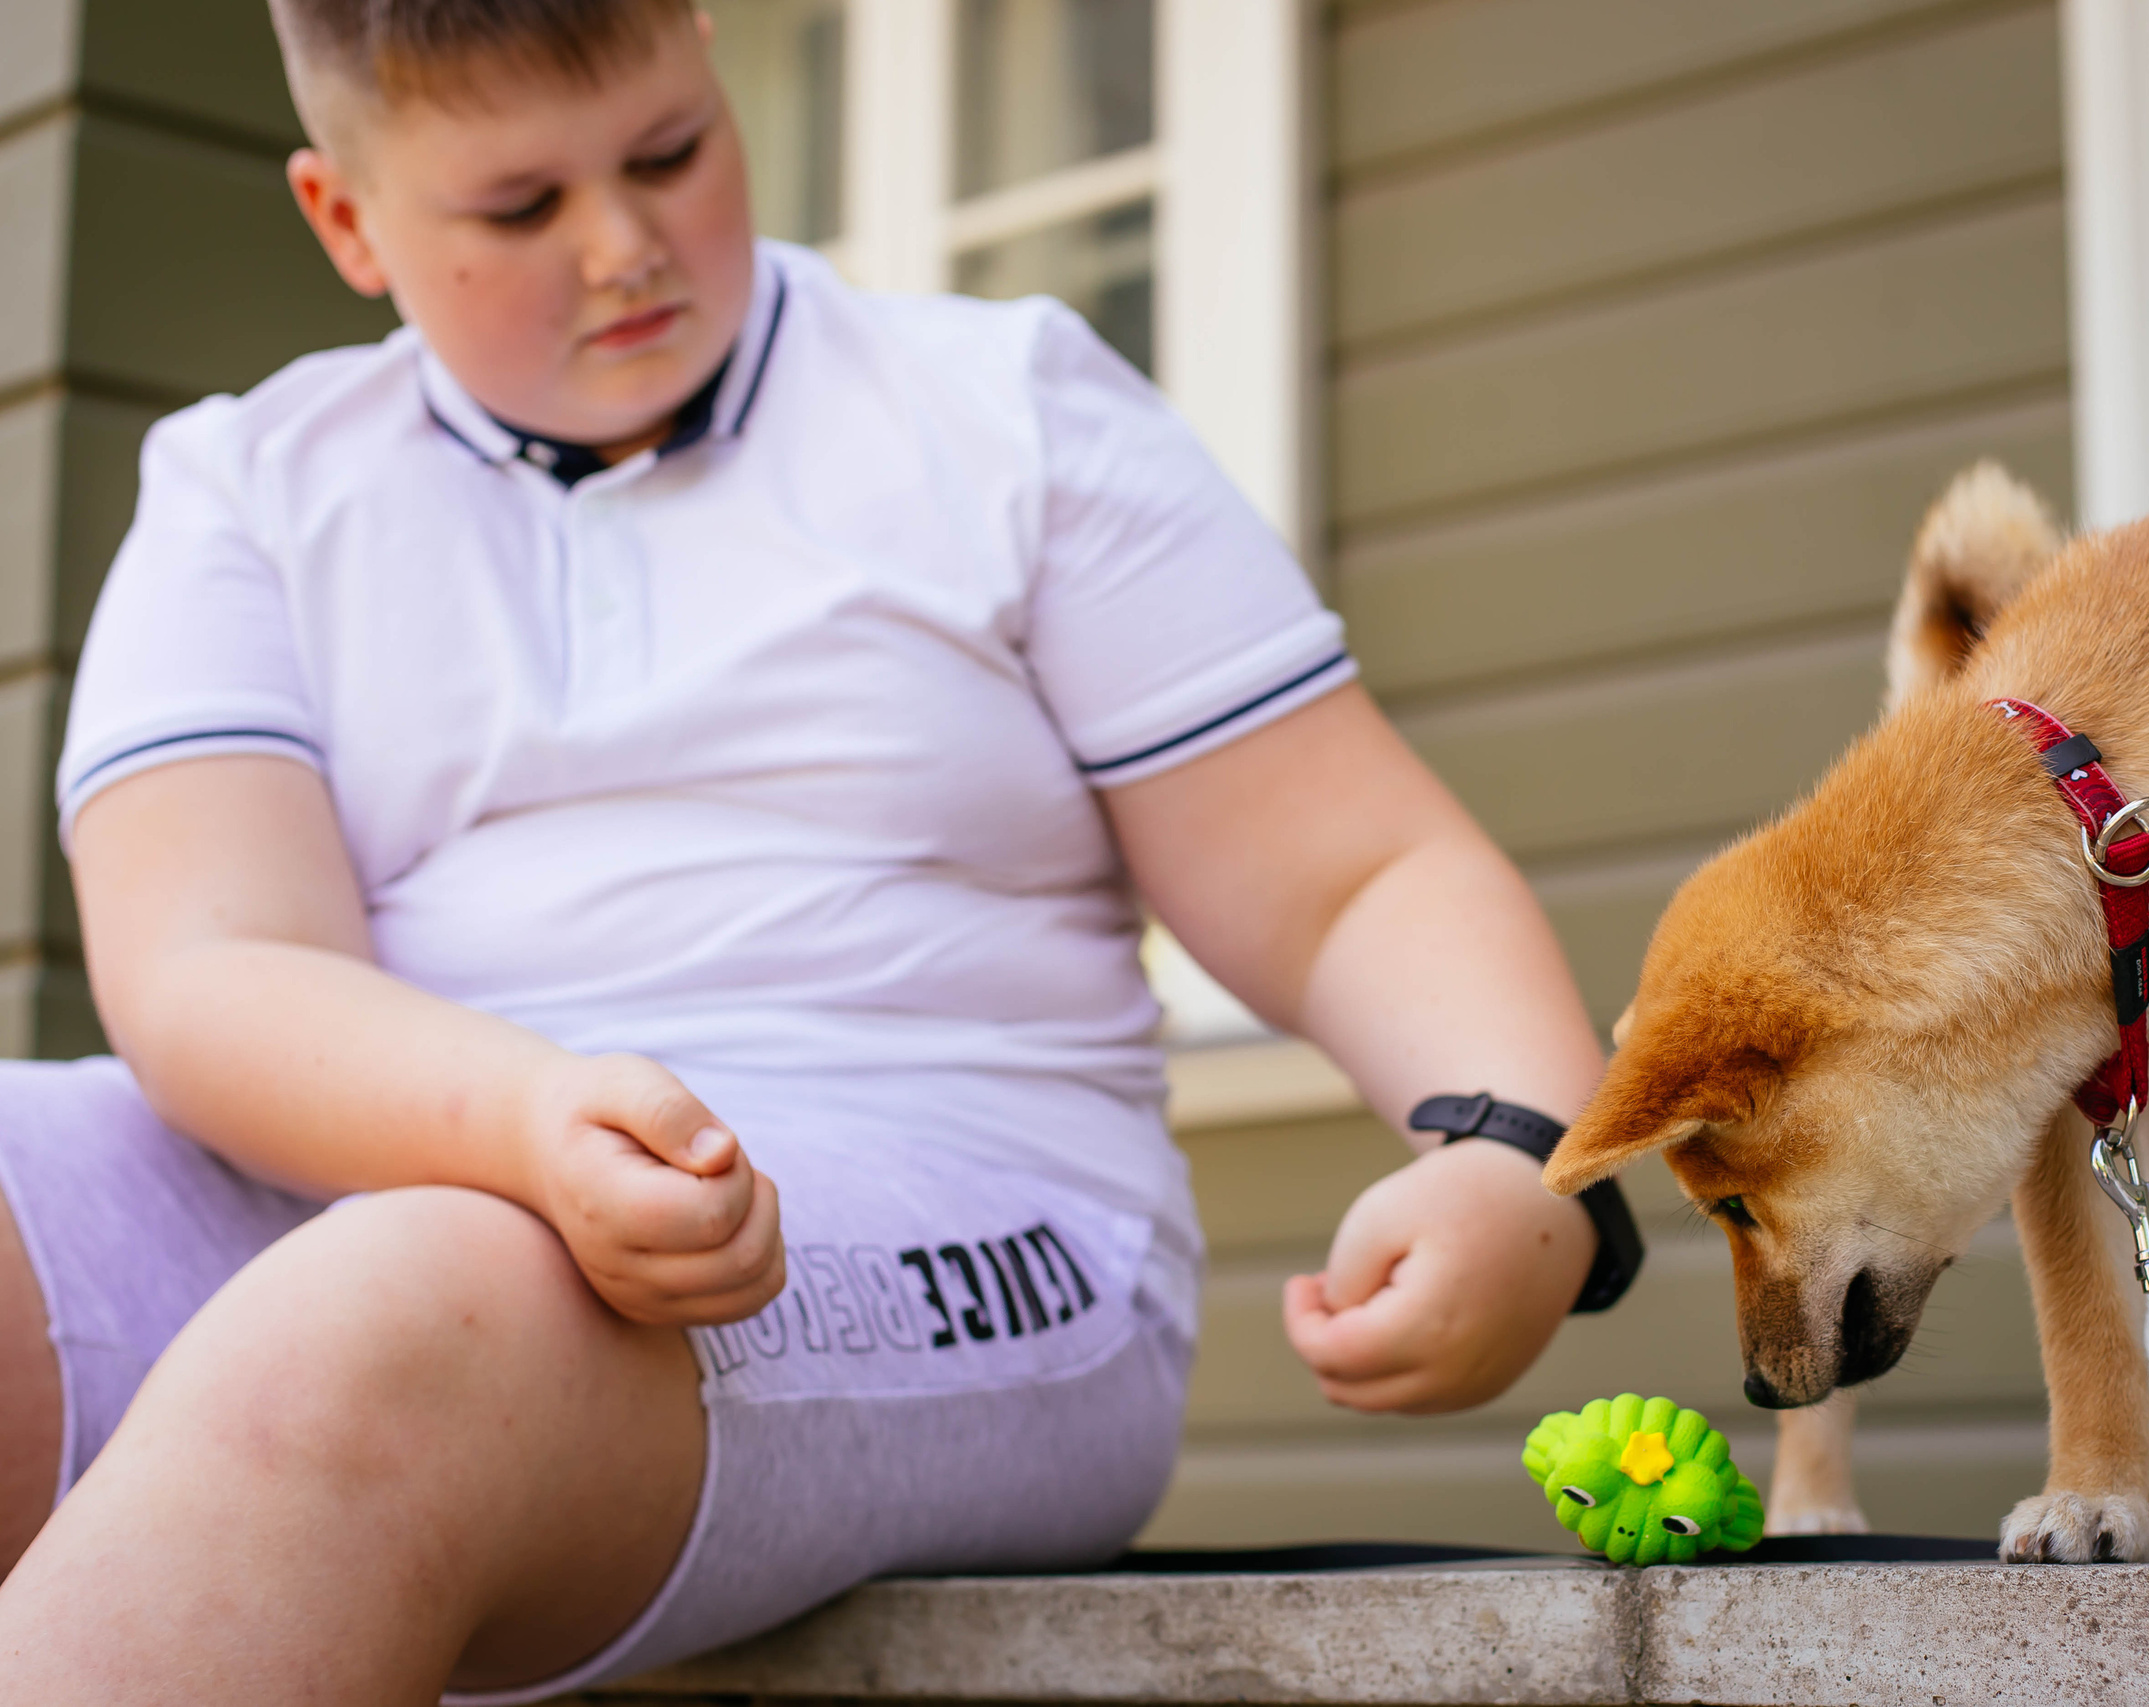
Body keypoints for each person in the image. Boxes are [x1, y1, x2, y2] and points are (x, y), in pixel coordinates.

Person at [0, 3, 1615, 1701]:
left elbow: (1353, 872)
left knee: (407, 1310)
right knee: (397, 1263)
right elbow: (213, 966)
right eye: (520, 208)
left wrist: (1518, 1153)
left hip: (977, 1210)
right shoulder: (250, 486)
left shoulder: (1004, 411)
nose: (623, 248)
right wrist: (528, 1125)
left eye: (670, 152)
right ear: (346, 219)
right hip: (422, 1158)